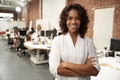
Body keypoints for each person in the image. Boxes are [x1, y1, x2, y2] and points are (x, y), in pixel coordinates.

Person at [49, 4, 100, 80]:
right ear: (65, 20)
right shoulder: (57, 41)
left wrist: (65, 64)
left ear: (82, 21)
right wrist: (85, 68)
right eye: (70, 18)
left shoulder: (88, 42)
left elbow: (95, 71)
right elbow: (55, 69)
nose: (73, 22)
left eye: (77, 18)